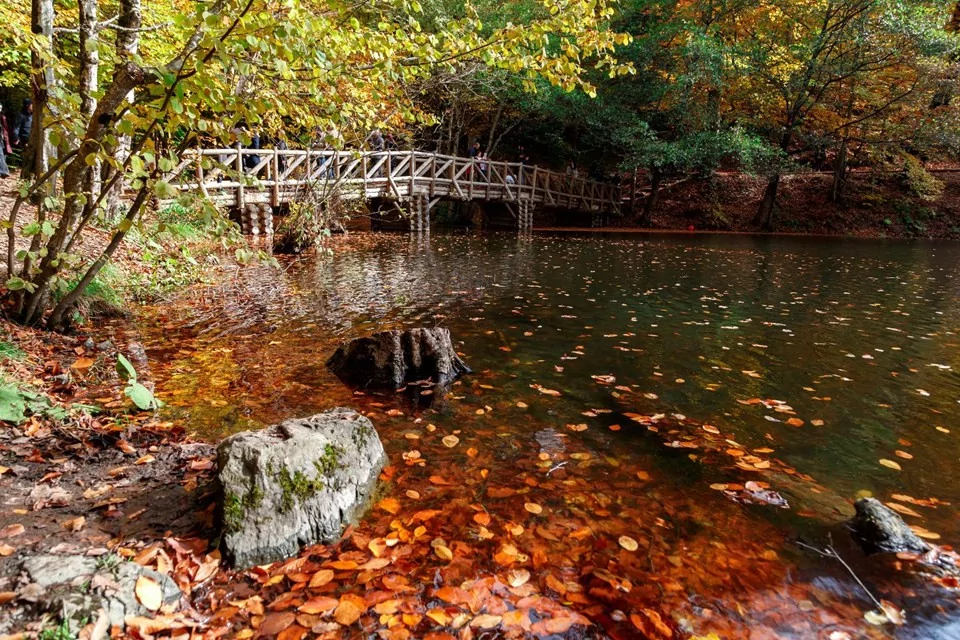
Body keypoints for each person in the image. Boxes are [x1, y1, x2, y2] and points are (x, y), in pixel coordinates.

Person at [0, 105, 10, 177]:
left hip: (1, 138)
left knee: (2, 154)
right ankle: (3, 171)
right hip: (2, 138)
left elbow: (5, 128)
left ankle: (3, 171)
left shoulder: (2, 117)